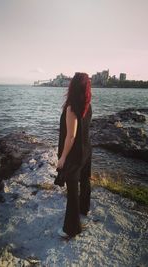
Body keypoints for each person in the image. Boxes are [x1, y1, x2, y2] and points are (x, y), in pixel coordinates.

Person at [54, 72, 92, 238]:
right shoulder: (87, 104)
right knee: (84, 181)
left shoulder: (71, 107)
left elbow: (71, 136)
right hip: (86, 150)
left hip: (75, 154)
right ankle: (84, 209)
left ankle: (71, 228)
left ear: (72, 86)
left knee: (72, 190)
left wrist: (62, 157)